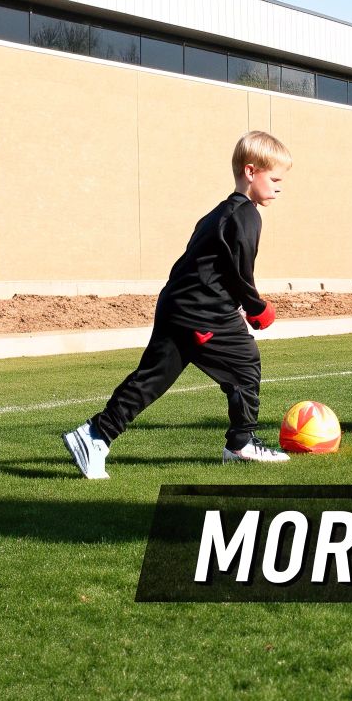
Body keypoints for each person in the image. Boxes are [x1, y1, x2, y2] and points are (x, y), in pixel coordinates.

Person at [62, 131, 293, 477]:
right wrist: (256, 307)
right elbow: (239, 268)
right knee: (245, 364)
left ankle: (95, 434)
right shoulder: (247, 215)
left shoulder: (218, 214)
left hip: (178, 304)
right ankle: (241, 444)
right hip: (201, 311)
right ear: (250, 172)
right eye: (274, 178)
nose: (278, 187)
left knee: (152, 379)